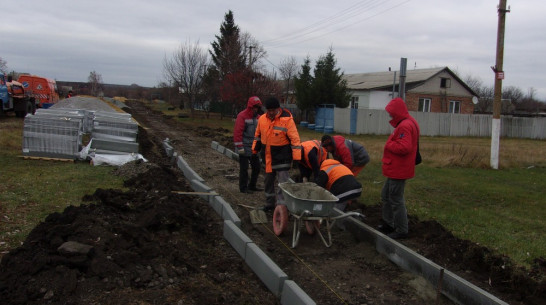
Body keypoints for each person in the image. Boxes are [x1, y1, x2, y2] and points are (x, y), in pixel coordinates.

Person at [378, 97, 420, 240]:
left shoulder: (404, 126)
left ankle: (402, 229)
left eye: (391, 113)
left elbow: (404, 147)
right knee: (385, 195)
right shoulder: (407, 123)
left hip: (399, 170)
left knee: (396, 198)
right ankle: (388, 223)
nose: (390, 116)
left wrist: (389, 144)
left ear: (397, 112)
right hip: (395, 168)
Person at [252, 97, 301, 211]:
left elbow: (295, 140)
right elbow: (257, 136)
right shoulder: (262, 119)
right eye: (269, 110)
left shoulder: (287, 120)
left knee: (283, 183)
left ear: (278, 108)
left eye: (273, 110)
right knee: (268, 181)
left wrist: (297, 158)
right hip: (268, 157)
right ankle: (269, 204)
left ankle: (281, 207)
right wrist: (254, 151)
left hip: (282, 158)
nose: (271, 112)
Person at [234, 96, 263, 193]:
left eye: (258, 107)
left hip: (254, 147)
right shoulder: (242, 116)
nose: (256, 109)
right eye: (255, 107)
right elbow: (238, 132)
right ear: (251, 106)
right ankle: (243, 188)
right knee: (244, 168)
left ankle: (252, 185)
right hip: (244, 146)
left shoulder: (259, 118)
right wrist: (240, 147)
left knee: (257, 167)